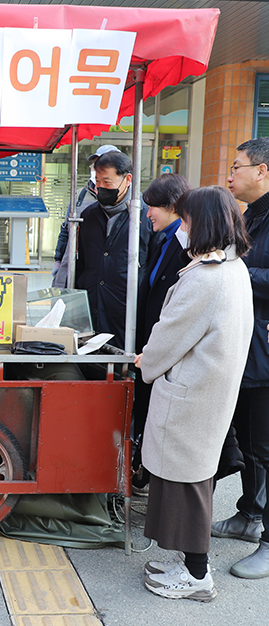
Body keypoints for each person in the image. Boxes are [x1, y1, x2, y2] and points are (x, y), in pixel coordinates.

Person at [136, 186, 252, 601]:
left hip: (192, 390)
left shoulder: (206, 277)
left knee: (186, 485)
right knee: (190, 478)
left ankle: (198, 576)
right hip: (210, 388)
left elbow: (171, 335)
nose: (181, 228)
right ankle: (186, 563)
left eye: (185, 221)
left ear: (200, 223)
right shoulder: (233, 267)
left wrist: (147, 363)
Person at [211, 137, 269, 577]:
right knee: (250, 443)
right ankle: (248, 515)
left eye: (238, 166)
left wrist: (235, 270)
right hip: (247, 348)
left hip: (265, 350)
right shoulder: (253, 215)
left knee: (265, 446)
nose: (231, 175)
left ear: (262, 170)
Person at [132, 173, 192, 489]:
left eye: (152, 207)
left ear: (171, 206)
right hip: (151, 341)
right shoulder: (163, 237)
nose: (147, 214)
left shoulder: (185, 245)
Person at [74, 151, 153, 350]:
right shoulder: (89, 215)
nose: (100, 188)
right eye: (97, 181)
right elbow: (82, 264)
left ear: (127, 179)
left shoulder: (147, 216)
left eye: (107, 182)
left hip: (128, 318)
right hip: (91, 315)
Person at [51, 144, 120, 288]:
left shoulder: (132, 203)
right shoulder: (79, 195)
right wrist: (58, 261)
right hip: (77, 263)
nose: (97, 169)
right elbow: (66, 229)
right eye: (96, 165)